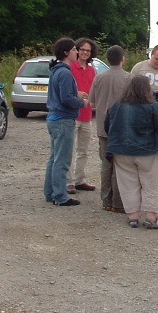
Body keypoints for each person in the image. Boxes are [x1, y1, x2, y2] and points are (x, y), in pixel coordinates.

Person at [105, 75, 158, 229]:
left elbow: (107, 125)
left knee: (128, 184)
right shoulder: (152, 106)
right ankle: (151, 217)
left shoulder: (117, 106)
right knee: (153, 184)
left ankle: (133, 216)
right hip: (148, 150)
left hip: (121, 151)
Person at [43, 37, 87, 207]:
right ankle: (60, 196)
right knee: (62, 160)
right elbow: (66, 98)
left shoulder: (56, 70)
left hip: (53, 118)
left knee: (54, 158)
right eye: (75, 50)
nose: (78, 52)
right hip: (63, 119)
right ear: (66, 52)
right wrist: (81, 102)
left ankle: (50, 192)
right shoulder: (65, 72)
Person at [89, 45, 132, 213]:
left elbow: (91, 102)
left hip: (103, 127)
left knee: (106, 165)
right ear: (122, 59)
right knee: (120, 165)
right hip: (122, 127)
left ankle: (106, 200)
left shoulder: (99, 78)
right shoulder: (129, 78)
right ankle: (118, 201)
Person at [66, 37, 98, 195]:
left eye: (88, 50)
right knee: (69, 149)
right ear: (77, 50)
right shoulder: (70, 67)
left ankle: (79, 180)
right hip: (72, 114)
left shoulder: (92, 70)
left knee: (83, 150)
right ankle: (68, 182)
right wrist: (77, 94)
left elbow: (94, 90)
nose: (85, 52)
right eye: (83, 49)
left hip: (86, 115)